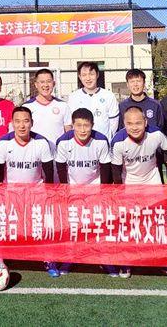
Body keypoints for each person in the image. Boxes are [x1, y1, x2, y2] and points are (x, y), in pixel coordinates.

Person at [110, 106, 167, 281]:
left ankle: (165, 262)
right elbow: (116, 170)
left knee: (158, 222)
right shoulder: (118, 142)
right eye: (130, 123)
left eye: (138, 123)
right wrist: (120, 193)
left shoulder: (156, 134)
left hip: (152, 180)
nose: (134, 127)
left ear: (145, 122)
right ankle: (127, 261)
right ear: (124, 124)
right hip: (130, 182)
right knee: (129, 224)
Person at [0, 107, 56, 276]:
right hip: (11, 192)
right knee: (3, 225)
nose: (22, 126)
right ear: (12, 123)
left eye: (26, 121)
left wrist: (48, 195)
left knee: (43, 225)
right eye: (17, 121)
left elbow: (49, 172)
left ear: (32, 123)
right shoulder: (4, 143)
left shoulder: (41, 142)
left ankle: (48, 259)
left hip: (36, 192)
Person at [54, 107, 112, 276]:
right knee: (74, 226)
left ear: (92, 125)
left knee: (98, 225)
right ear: (72, 126)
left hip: (94, 187)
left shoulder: (101, 141)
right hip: (73, 188)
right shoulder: (63, 142)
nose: (82, 130)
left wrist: (103, 193)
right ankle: (70, 258)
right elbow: (61, 167)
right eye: (78, 126)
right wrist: (66, 191)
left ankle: (103, 259)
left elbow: (105, 167)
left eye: (86, 125)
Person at [67, 62, 119, 141]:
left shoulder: (109, 96)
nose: (88, 78)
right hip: (80, 143)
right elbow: (70, 123)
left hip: (103, 143)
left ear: (97, 75)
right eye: (84, 75)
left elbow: (114, 123)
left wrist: (107, 139)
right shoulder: (73, 97)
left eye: (91, 74)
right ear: (79, 77)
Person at [23, 68, 71, 147]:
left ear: (54, 83)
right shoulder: (27, 107)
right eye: (42, 82)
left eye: (49, 81)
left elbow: (68, 131)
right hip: (35, 151)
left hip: (57, 152)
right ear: (36, 84)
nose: (46, 85)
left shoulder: (63, 105)